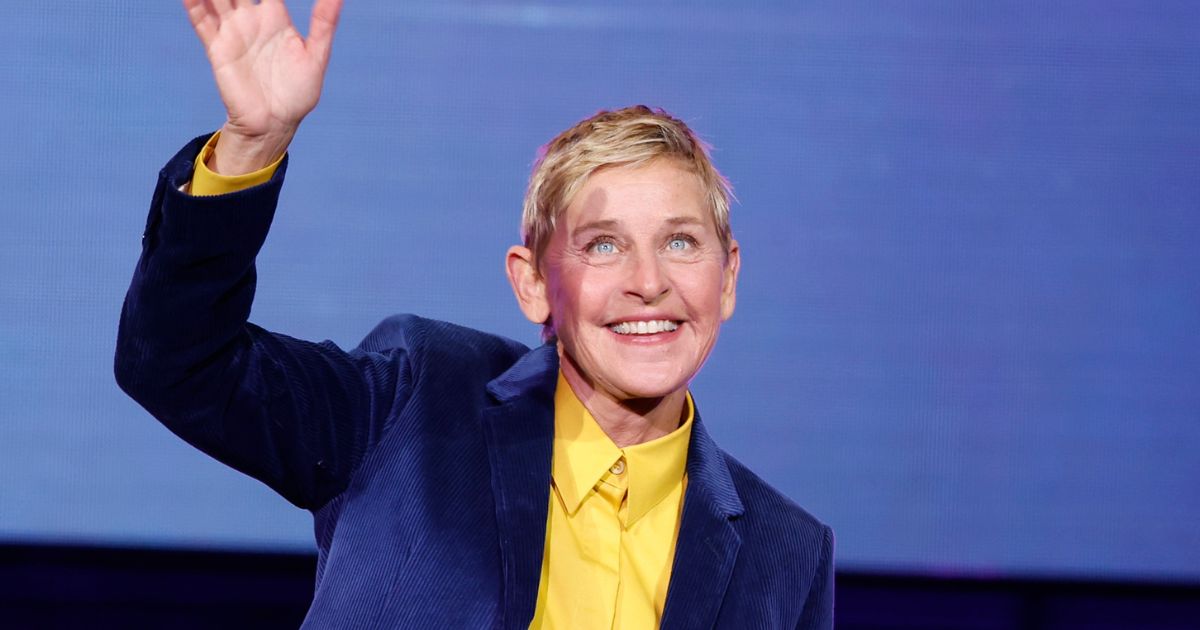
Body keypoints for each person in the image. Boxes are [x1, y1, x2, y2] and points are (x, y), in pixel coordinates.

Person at [115, 0, 834, 627]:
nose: (649, 282)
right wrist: (254, 147)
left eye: (680, 241)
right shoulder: (416, 405)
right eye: (603, 245)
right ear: (533, 286)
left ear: (728, 276)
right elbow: (179, 363)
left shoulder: (785, 554)